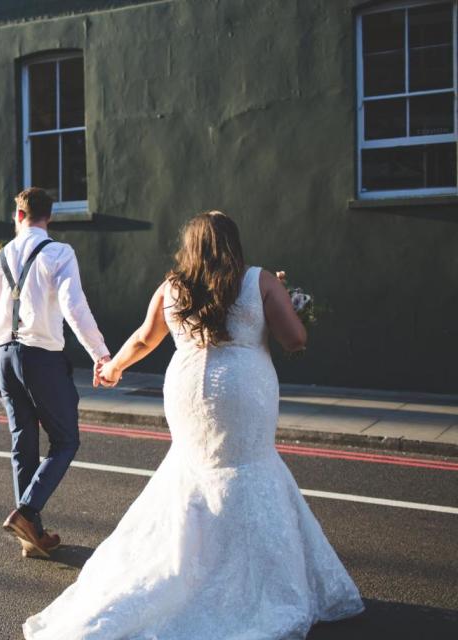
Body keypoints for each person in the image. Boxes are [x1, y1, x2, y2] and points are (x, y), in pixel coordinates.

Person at [23, 211, 363, 639]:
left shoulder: (172, 287)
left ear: (191, 246)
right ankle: (244, 579)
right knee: (248, 467)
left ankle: (187, 566)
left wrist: (112, 368)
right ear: (232, 243)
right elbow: (295, 339)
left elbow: (146, 338)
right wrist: (282, 299)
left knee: (192, 472)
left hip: (186, 392)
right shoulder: (258, 279)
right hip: (242, 391)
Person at [0, 187, 110, 559]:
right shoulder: (58, 252)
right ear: (47, 217)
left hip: (5, 357)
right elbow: (74, 305)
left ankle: (31, 537)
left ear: (17, 216)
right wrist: (100, 354)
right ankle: (26, 512)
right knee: (66, 440)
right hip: (41, 357)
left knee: (23, 443)